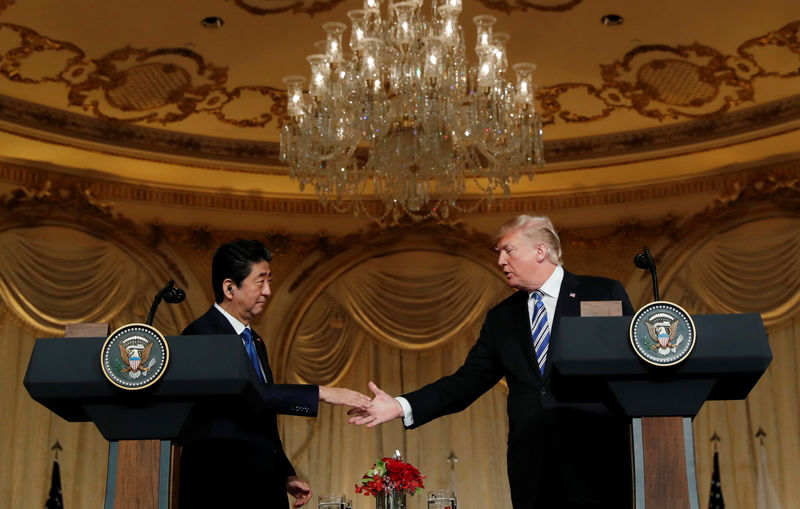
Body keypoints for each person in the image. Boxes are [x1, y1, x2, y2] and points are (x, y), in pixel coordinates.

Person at [349, 215, 634, 509]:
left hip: (595, 459)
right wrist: (401, 405)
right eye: (498, 252)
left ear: (540, 251)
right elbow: (467, 381)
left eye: (507, 251)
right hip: (532, 468)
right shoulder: (502, 318)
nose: (500, 261)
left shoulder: (601, 293)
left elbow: (627, 368)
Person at [180, 239, 371, 509]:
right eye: (260, 281)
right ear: (229, 287)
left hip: (262, 487)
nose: (268, 291)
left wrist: (283, 473)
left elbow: (261, 418)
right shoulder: (203, 334)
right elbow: (245, 394)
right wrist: (322, 392)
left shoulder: (255, 341)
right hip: (220, 489)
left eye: (269, 280)